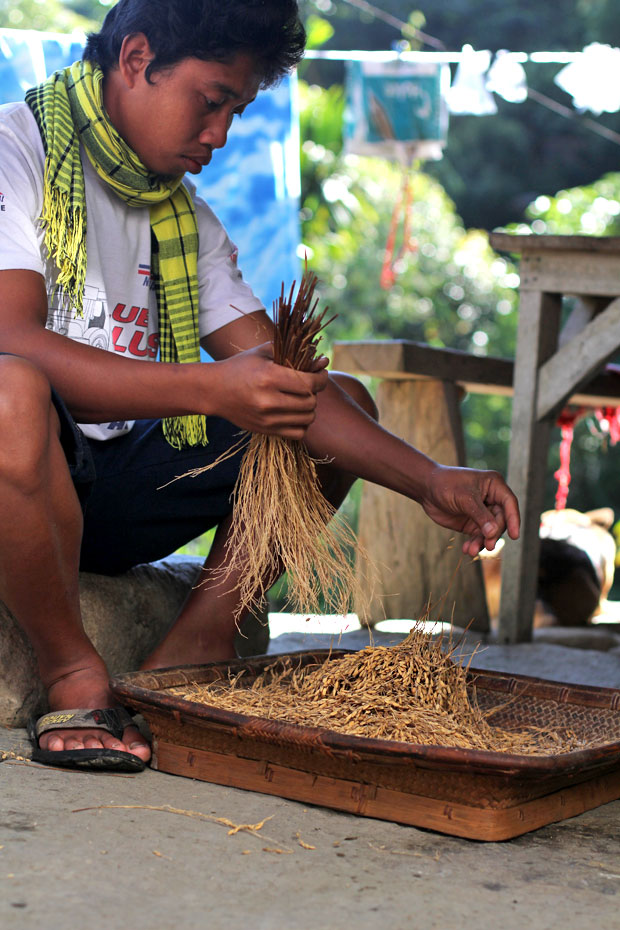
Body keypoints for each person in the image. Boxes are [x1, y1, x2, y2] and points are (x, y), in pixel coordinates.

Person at [0, 0, 519, 772]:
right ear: (138, 58)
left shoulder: (184, 218)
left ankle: (200, 638)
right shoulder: (17, 148)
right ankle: (71, 668)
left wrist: (430, 479)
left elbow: (288, 387)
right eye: (211, 102)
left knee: (338, 398)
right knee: (8, 393)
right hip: (22, 474)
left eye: (236, 111)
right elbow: (11, 339)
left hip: (111, 490)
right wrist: (209, 389)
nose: (219, 135)